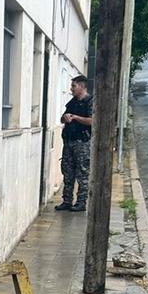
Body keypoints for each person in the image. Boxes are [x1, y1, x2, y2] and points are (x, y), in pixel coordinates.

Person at [56, 75, 93, 212]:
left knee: (82, 173)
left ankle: (81, 202)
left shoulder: (90, 102)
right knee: (67, 172)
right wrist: (65, 118)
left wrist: (76, 117)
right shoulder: (72, 102)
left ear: (82, 86)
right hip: (69, 141)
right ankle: (67, 201)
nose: (71, 89)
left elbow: (92, 121)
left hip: (82, 143)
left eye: (74, 86)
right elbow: (63, 118)